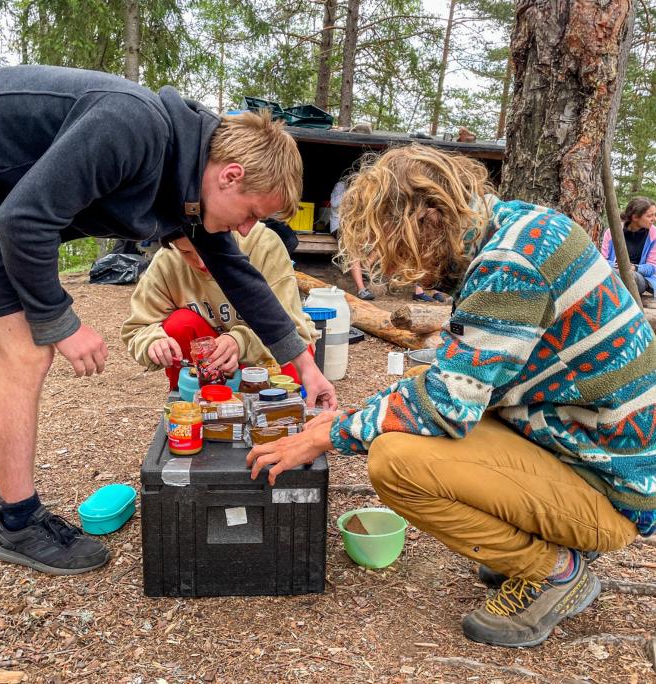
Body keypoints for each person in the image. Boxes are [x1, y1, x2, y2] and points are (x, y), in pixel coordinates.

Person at [247, 144, 656, 648]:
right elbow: (461, 378)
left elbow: (448, 402)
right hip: (591, 452)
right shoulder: (519, 227)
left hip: (609, 487)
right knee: (406, 429)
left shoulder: (512, 263)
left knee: (395, 460)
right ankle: (545, 542)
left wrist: (333, 433)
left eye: (400, 249)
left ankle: (555, 569)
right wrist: (359, 417)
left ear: (430, 215)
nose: (405, 271)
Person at [0, 64, 336, 575]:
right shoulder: (131, 126)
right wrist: (62, 321)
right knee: (24, 352)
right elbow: (23, 220)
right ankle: (19, 523)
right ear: (230, 175)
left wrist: (306, 367)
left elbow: (238, 274)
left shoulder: (189, 175)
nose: (249, 228)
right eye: (253, 212)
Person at [121, 222, 317, 388]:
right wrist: (152, 343)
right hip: (210, 360)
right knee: (179, 325)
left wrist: (240, 342)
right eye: (187, 252)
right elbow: (138, 328)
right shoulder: (168, 258)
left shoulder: (262, 244)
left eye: (206, 249)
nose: (200, 262)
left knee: (294, 371)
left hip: (266, 352)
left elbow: (295, 331)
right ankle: (190, 402)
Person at [601, 196, 656, 298]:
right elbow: (603, 260)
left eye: (654, 215)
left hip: (638, 277)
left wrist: (634, 267)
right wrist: (620, 266)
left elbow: (652, 267)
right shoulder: (611, 233)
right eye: (650, 216)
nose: (654, 219)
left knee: (631, 277)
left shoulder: (654, 235)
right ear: (635, 217)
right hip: (612, 272)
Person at [330, 180, 374, 300]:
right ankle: (361, 289)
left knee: (383, 240)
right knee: (352, 248)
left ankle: (365, 265)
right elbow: (334, 203)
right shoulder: (341, 186)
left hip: (358, 229)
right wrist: (352, 192)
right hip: (340, 226)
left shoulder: (367, 187)